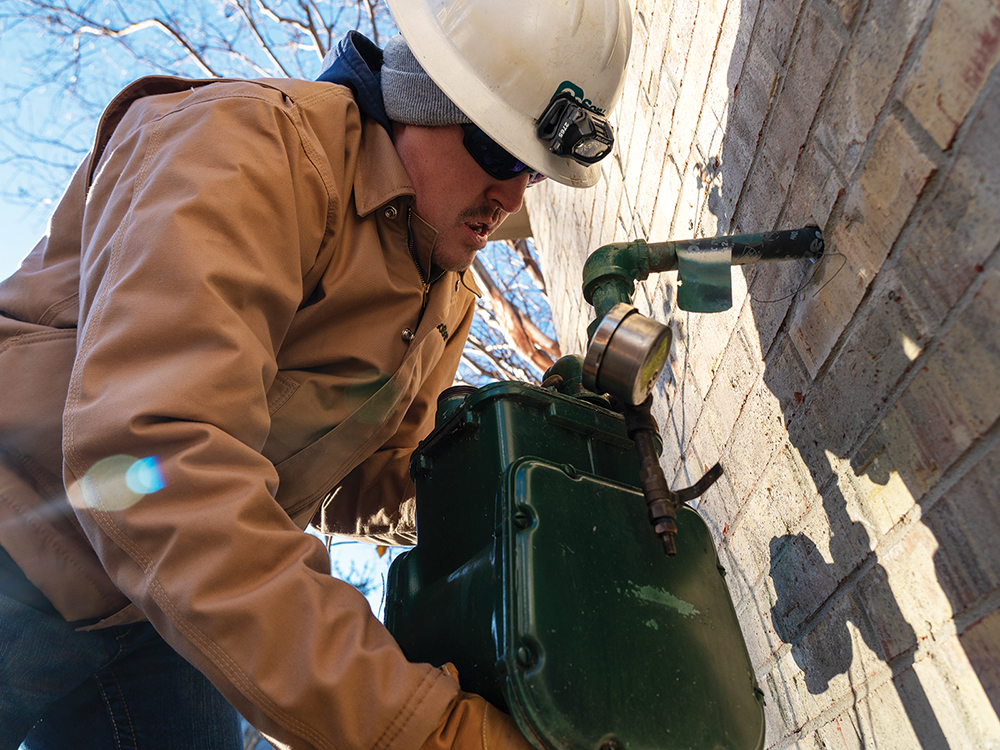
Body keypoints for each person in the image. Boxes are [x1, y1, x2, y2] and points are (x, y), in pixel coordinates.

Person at [0, 0, 631, 747]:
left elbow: (371, 481)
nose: (513, 195)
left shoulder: (446, 295)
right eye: (498, 151)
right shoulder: (247, 145)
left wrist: (519, 468)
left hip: (150, 616)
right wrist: (427, 730)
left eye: (534, 171)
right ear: (421, 100)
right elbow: (152, 455)